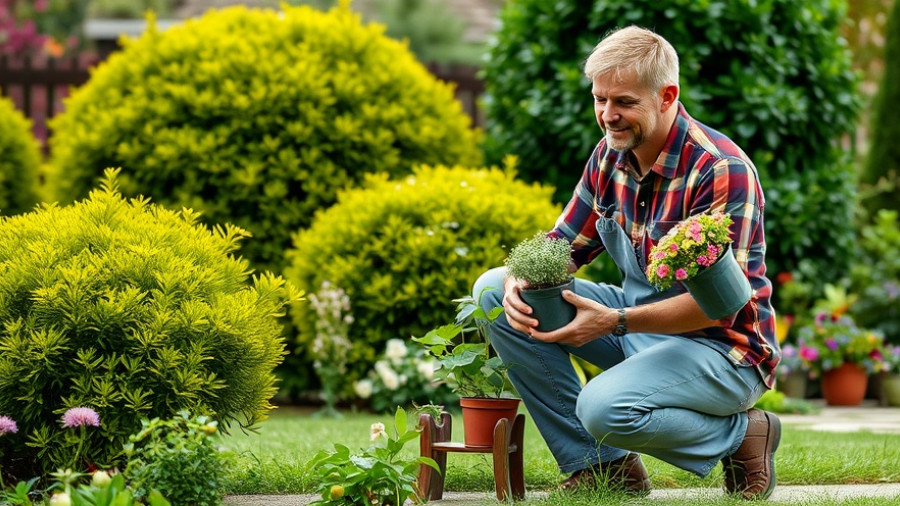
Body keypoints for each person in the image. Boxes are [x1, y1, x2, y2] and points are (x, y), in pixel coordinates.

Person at [473, 26, 782, 500]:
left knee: (603, 409)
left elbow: (717, 308)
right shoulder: (609, 157)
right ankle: (603, 468)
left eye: (624, 102)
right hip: (637, 327)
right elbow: (563, 244)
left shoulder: (721, 170)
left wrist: (613, 322)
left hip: (723, 349)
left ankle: (744, 437)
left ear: (667, 96)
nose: (607, 116)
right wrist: (520, 276)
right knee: (494, 289)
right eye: (600, 99)